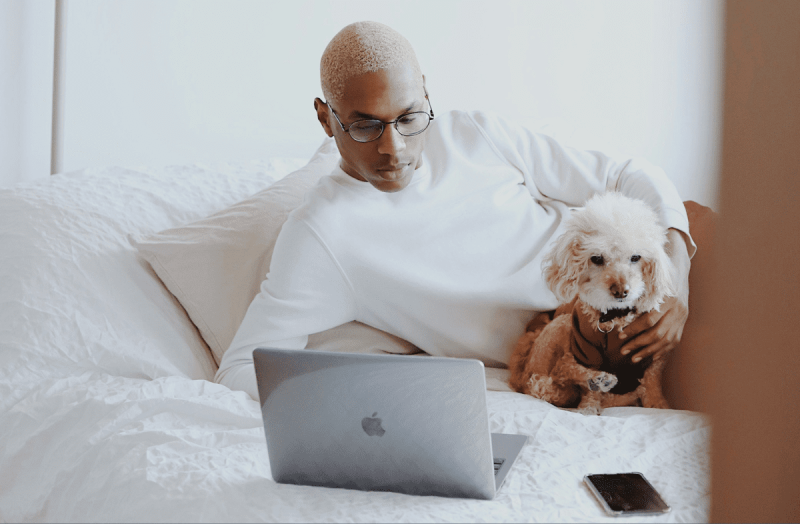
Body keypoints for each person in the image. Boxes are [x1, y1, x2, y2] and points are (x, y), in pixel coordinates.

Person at [215, 21, 694, 401]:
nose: (394, 148)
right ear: (325, 118)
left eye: (408, 117)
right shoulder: (323, 233)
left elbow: (627, 175)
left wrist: (678, 280)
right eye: (365, 126)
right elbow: (240, 370)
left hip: (652, 278)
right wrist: (361, 392)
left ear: (425, 92)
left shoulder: (473, 134)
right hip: (570, 354)